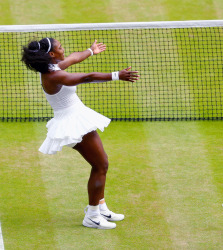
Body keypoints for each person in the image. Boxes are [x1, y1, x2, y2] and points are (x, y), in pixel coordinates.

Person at [21, 37, 140, 229]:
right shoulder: (54, 76)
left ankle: (100, 207)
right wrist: (117, 75)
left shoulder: (54, 67)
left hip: (77, 117)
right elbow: (87, 77)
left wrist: (91, 50)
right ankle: (92, 215)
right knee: (101, 165)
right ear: (52, 54)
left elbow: (74, 58)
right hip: (72, 123)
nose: (63, 49)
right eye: (60, 47)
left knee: (100, 164)